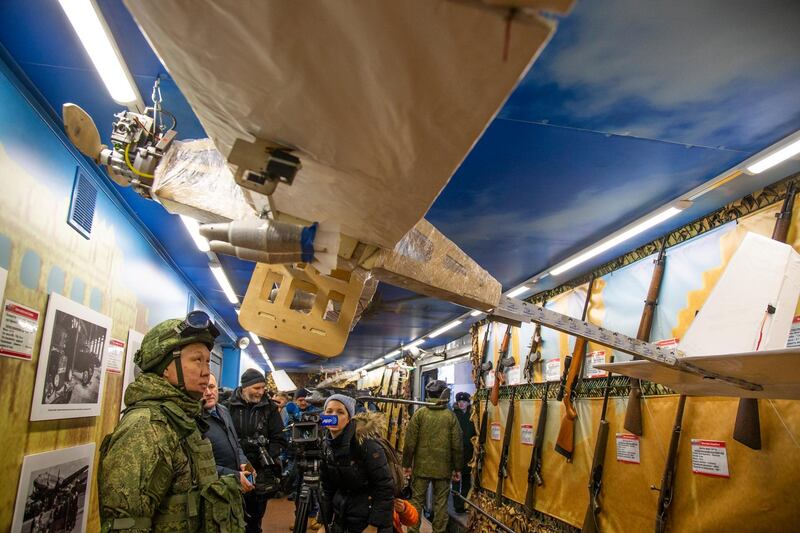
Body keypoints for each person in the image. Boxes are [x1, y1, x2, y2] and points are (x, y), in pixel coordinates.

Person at [98, 312, 244, 531]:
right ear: (166, 366)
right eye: (197, 360)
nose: (206, 372)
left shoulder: (182, 419)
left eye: (207, 361)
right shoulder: (146, 427)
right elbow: (126, 524)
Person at [320, 394, 395, 533]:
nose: (333, 416)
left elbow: (385, 487)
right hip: (342, 517)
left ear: (349, 418)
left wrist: (374, 525)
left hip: (367, 518)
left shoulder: (366, 444)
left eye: (340, 412)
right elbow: (327, 489)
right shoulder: (326, 445)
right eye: (329, 412)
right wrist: (322, 522)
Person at [226, 368, 288, 533]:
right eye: (256, 388)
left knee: (255, 518)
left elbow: (279, 438)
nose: (261, 392)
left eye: (263, 388)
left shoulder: (270, 408)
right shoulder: (228, 406)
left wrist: (267, 456)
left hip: (260, 472)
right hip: (235, 468)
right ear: (245, 387)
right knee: (232, 516)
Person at [402, 380, 463, 533]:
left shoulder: (419, 415)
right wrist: (457, 468)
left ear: (428, 395)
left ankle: (413, 531)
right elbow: (457, 445)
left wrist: (406, 465)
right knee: (441, 504)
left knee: (416, 501)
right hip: (443, 469)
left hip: (421, 468)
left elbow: (409, 443)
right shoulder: (450, 417)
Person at [203, 373, 255, 492]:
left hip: (233, 488)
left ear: (217, 388)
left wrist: (243, 462)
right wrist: (234, 475)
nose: (208, 392)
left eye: (211, 387)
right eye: (203, 388)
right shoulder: (194, 419)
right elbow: (197, 465)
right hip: (214, 489)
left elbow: (235, 443)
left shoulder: (223, 410)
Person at [451, 391, 476, 514]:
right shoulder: (453, 415)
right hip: (456, 452)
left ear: (468, 402)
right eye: (459, 401)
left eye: (464, 401)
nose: (461, 404)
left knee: (466, 479)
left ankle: (464, 504)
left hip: (469, 453)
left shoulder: (472, 415)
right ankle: (457, 505)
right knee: (456, 479)